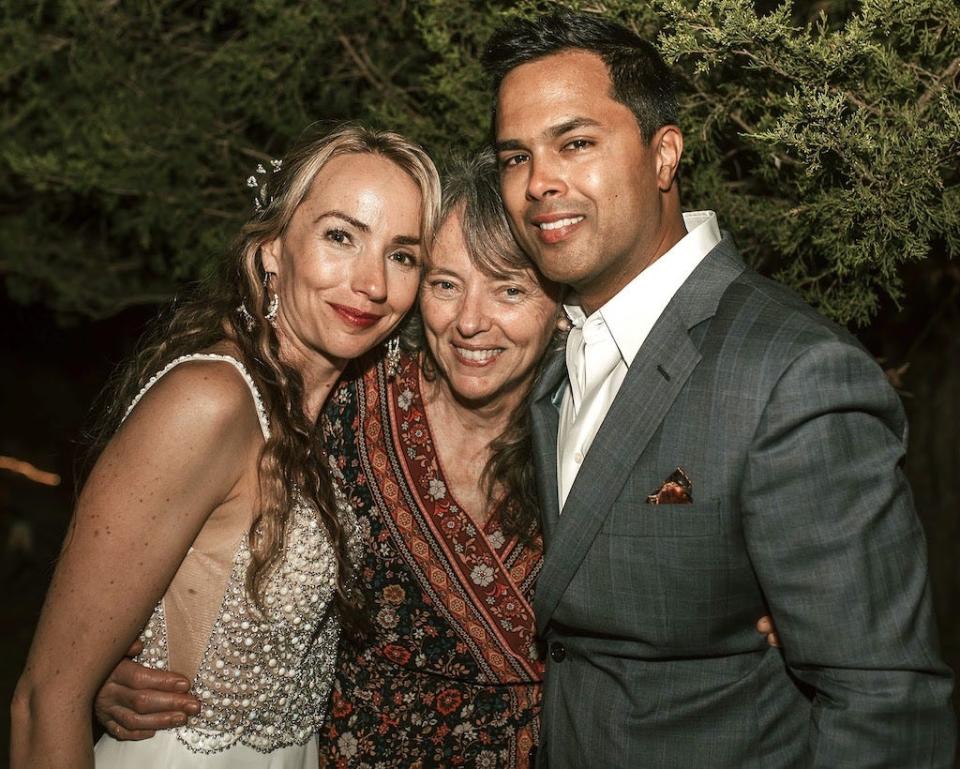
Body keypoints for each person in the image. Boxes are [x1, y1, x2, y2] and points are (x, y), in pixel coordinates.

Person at [89, 152, 783, 768]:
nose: (470, 322)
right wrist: (115, 665)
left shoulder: (603, 428)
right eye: (445, 283)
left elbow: (702, 548)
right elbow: (167, 526)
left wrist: (760, 604)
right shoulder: (343, 399)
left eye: (510, 290)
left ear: (560, 307)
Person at [482, 9, 956, 769]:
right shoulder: (557, 347)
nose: (540, 182)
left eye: (576, 143)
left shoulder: (793, 373)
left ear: (664, 154)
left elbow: (884, 704)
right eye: (515, 157)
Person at [10, 124, 441, 769]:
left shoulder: (332, 415)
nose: (372, 282)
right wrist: (95, 681)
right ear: (272, 250)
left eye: (402, 255)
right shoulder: (210, 399)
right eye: (340, 236)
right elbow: (46, 700)